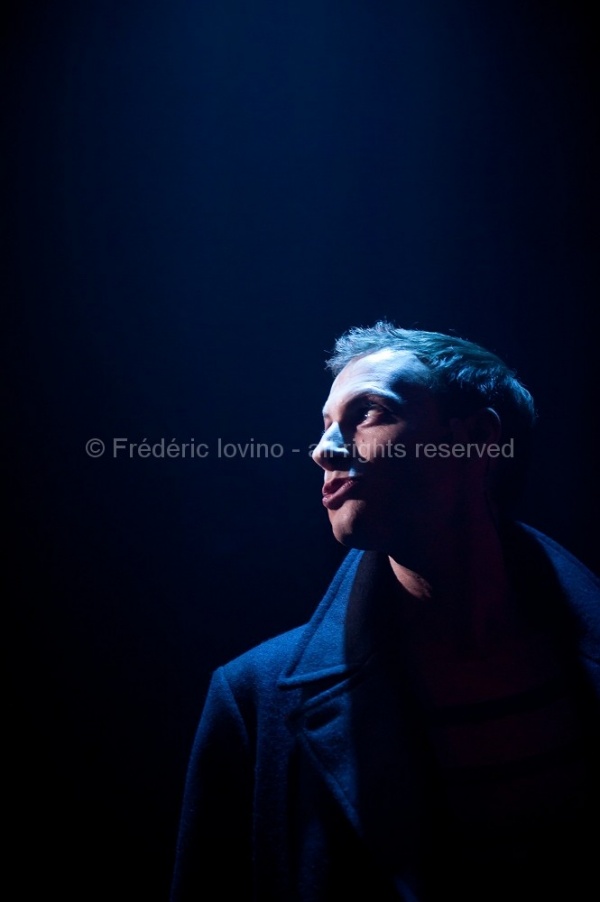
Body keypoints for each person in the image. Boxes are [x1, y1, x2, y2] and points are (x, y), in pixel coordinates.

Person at [170, 321, 599, 901]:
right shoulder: (255, 701)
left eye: (366, 413)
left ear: (475, 441)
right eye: (325, 426)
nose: (323, 451)